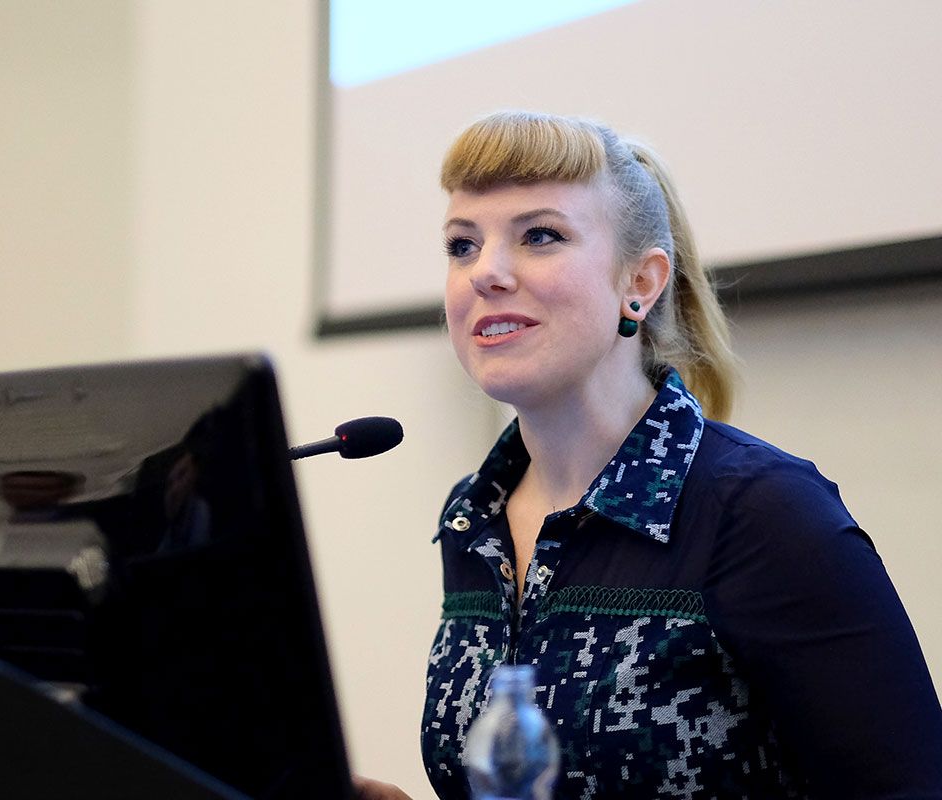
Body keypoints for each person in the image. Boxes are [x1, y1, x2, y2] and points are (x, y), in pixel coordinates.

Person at [360, 111, 942, 799]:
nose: (485, 272)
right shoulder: (473, 517)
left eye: (540, 235)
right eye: (462, 246)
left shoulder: (761, 513)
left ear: (640, 282)